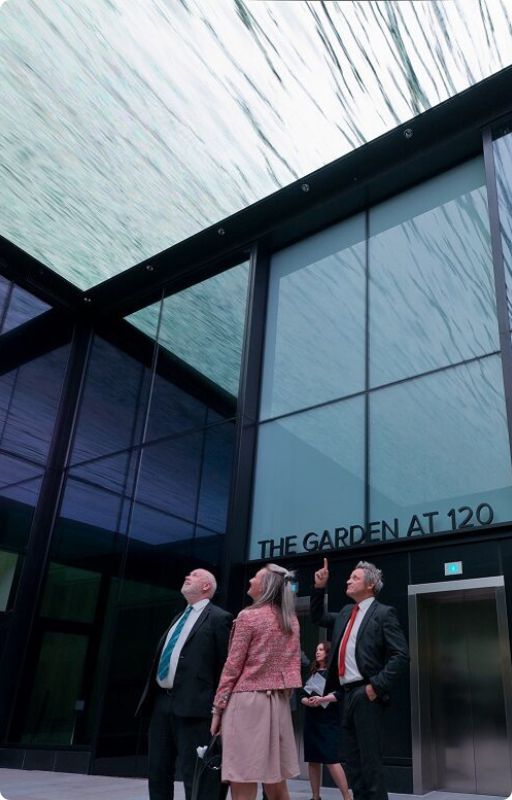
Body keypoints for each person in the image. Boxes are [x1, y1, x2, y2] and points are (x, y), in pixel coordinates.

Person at [309, 559, 408, 800]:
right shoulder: (345, 613)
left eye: (354, 578)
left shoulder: (383, 613)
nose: (348, 581)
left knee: (370, 763)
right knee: (353, 763)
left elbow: (401, 654)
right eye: (349, 577)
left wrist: (376, 686)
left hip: (367, 694)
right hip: (345, 695)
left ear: (371, 585)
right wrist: (319, 588)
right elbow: (318, 616)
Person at [136, 568, 232, 800]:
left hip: (196, 709)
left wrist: (219, 709)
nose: (188, 576)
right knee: (158, 771)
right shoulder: (177, 618)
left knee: (196, 775)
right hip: (161, 703)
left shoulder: (219, 618)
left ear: (206, 587)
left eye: (195, 575)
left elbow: (225, 667)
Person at [210, 563, 302, 800]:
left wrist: (218, 708)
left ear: (266, 586)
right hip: (278, 704)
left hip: (247, 703)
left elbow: (232, 666)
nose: (250, 580)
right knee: (277, 785)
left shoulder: (248, 616)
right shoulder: (290, 620)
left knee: (242, 780)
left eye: (255, 577)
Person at [300, 641, 351, 800]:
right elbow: (302, 694)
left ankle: (347, 797)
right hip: (311, 721)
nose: (317, 652)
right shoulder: (313, 671)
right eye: (316, 649)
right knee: (313, 760)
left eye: (321, 649)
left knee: (331, 759)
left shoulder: (334, 673)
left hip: (328, 720)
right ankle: (315, 797)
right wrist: (306, 701)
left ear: (328, 653)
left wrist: (322, 699)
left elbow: (341, 693)